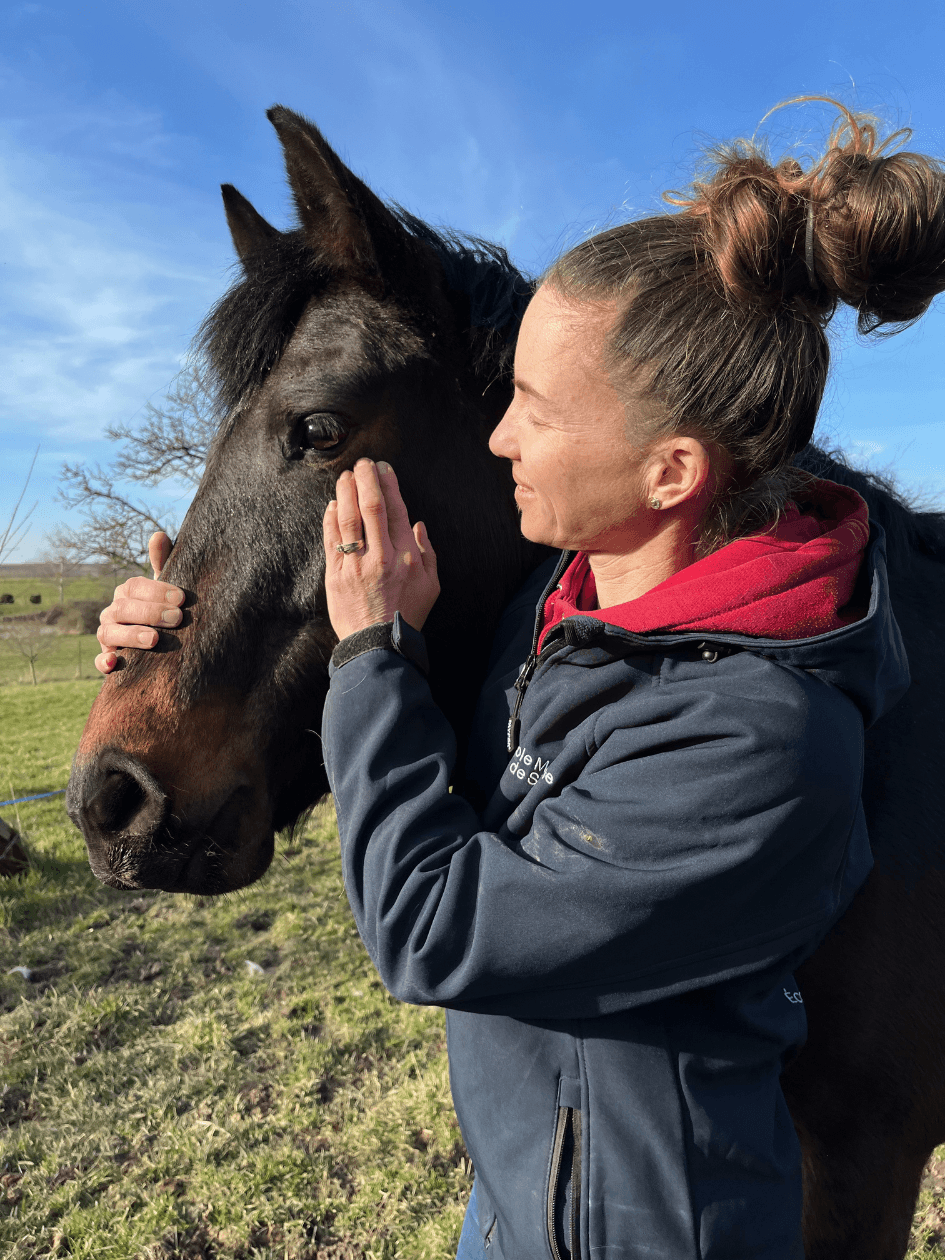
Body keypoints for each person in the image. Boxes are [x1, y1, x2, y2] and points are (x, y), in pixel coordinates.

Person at [95, 103, 945, 1258]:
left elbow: (434, 923)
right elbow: (459, 740)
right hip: (522, 1197)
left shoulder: (760, 735)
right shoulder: (566, 615)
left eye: (530, 411)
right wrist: (184, 639)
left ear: (671, 469)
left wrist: (370, 654)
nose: (498, 441)